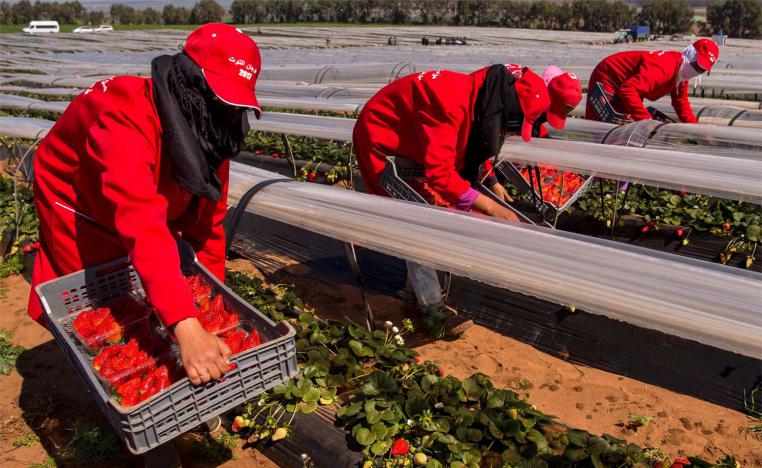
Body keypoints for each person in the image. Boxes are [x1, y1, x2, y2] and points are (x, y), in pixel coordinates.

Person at [28, 24, 261, 387]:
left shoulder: (211, 129)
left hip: (143, 191)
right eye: (219, 102)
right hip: (79, 198)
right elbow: (142, 224)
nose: (225, 115)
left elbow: (209, 227)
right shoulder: (122, 116)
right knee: (101, 299)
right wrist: (186, 326)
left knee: (158, 283)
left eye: (233, 107)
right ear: (190, 83)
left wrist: (209, 306)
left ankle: (168, 362)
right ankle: (112, 380)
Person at [352, 64, 581, 333]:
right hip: (382, 141)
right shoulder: (450, 103)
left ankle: (416, 296)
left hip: (412, 141)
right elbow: (440, 173)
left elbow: (472, 137)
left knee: (429, 211)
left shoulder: (486, 89)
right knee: (417, 221)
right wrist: (494, 209)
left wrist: (491, 183)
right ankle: (433, 309)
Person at [586, 38, 719, 123]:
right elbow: (628, 90)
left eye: (701, 69)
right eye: (697, 65)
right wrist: (647, 122)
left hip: (626, 84)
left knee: (624, 125)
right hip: (609, 76)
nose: (696, 71)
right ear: (690, 54)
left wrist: (695, 131)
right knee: (602, 126)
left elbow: (681, 103)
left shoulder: (681, 75)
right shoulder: (664, 67)